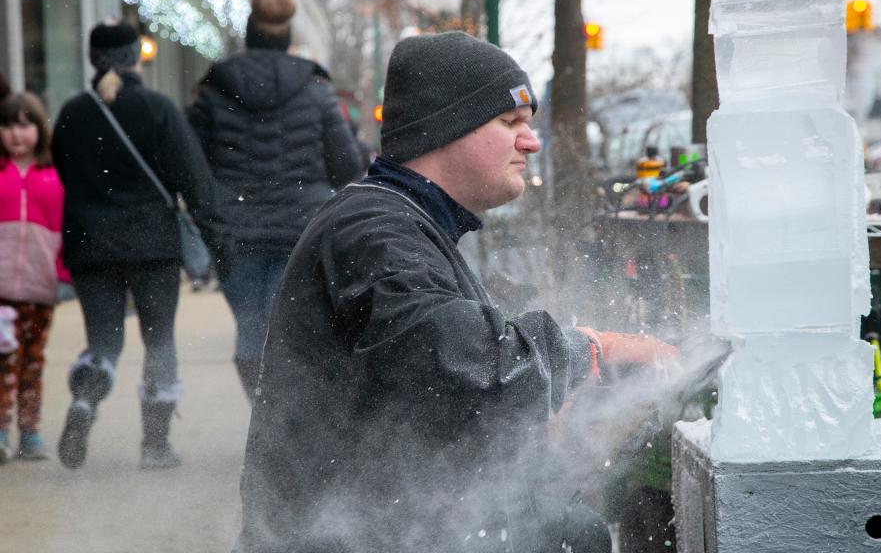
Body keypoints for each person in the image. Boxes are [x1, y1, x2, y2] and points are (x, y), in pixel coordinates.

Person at [235, 31, 679, 553]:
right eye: (510, 122)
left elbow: (437, 387)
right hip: (342, 537)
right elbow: (456, 356)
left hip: (384, 524)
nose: (530, 142)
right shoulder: (374, 231)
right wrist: (595, 349)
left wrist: (552, 412)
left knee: (572, 529)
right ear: (445, 128)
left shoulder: (399, 221)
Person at [52, 20, 223, 471]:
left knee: (104, 341)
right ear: (135, 57)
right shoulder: (158, 108)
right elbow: (194, 179)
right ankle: (154, 445)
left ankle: (87, 401)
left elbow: (67, 174)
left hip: (90, 244)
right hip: (152, 243)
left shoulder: (72, 113)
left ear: (93, 60)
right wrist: (216, 241)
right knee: (159, 340)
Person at [187, 0, 363, 400]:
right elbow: (346, 164)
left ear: (250, 33)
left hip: (235, 230)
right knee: (291, 330)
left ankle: (263, 413)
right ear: (287, 37)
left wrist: (210, 212)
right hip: (302, 229)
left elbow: (192, 163)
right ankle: (284, 420)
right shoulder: (316, 90)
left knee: (251, 330)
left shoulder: (214, 89)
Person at [0, 92, 67, 462]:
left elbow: (65, 231)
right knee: (3, 360)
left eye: (25, 124)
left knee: (33, 362)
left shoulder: (54, 176)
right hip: (2, 290)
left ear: (39, 131)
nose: (16, 134)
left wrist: (62, 274)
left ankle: (30, 431)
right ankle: (0, 429)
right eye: (8, 125)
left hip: (40, 289)